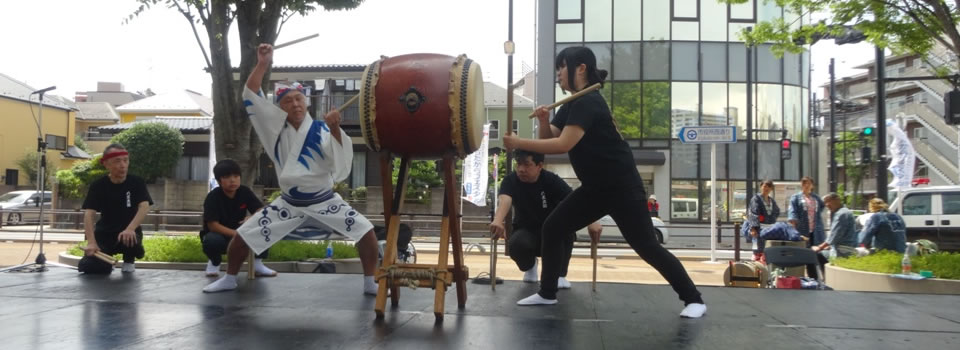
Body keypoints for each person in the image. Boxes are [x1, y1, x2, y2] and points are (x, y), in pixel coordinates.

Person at [503, 46, 706, 318]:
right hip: (595, 189)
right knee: (553, 227)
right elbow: (548, 137)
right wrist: (543, 120)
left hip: (623, 187)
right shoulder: (573, 103)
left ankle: (694, 299)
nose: (559, 74)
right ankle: (547, 293)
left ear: (581, 68)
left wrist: (517, 142)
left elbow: (563, 143)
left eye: (562, 67)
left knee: (646, 246)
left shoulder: (590, 102)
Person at [203, 43, 379, 294]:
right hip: (288, 203)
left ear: (306, 103)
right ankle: (229, 278)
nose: (294, 104)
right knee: (242, 236)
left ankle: (369, 281)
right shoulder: (273, 129)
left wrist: (336, 130)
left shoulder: (321, 129)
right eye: (287, 101)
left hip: (324, 200)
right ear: (280, 107)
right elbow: (251, 93)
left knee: (366, 232)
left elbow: (338, 163)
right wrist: (263, 64)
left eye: (298, 99)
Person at [490, 149, 602, 287]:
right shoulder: (510, 180)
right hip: (526, 230)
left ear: (539, 166)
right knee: (516, 244)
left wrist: (592, 221)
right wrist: (497, 220)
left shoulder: (551, 180)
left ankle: (559, 274)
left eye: (526, 164)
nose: (521, 169)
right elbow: (504, 200)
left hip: (554, 231)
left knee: (566, 232)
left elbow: (575, 201)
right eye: (518, 164)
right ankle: (530, 266)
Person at [81, 144, 153, 273]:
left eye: (125, 160)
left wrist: (130, 229)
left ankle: (130, 258)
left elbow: (144, 206)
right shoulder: (98, 185)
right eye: (117, 161)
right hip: (104, 233)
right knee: (88, 266)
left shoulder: (137, 182)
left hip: (128, 233)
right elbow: (89, 214)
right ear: (106, 164)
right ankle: (106, 264)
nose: (123, 165)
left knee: (130, 238)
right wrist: (91, 242)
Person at [200, 159, 275, 277]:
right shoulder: (213, 197)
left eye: (236, 176)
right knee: (211, 240)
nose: (232, 180)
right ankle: (214, 262)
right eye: (227, 177)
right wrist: (237, 234)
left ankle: (257, 264)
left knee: (263, 229)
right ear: (219, 180)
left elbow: (260, 210)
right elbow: (213, 225)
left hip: (242, 231)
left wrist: (251, 217)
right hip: (221, 235)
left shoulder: (245, 191)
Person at [787, 176, 827, 277]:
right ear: (801, 185)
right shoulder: (796, 197)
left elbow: (822, 206)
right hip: (803, 230)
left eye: (808, 183)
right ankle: (807, 277)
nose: (806, 185)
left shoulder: (816, 198)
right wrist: (793, 224)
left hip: (816, 230)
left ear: (812, 185)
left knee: (817, 253)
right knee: (804, 253)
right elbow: (792, 211)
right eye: (804, 183)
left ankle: (820, 276)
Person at [741, 180, 780, 262]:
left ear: (771, 189)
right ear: (761, 187)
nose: (766, 188)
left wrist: (771, 219)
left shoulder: (771, 201)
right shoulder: (756, 199)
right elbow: (753, 213)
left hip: (768, 229)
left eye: (768, 186)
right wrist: (753, 228)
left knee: (766, 250)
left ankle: (763, 268)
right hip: (757, 228)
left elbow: (777, 211)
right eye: (764, 186)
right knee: (756, 248)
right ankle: (755, 264)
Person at [813, 193, 858, 259]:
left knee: (814, 255)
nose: (826, 205)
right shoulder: (845, 212)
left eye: (828, 201)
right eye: (825, 203)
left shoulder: (841, 214)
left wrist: (819, 247)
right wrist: (828, 246)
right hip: (846, 248)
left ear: (837, 200)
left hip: (842, 251)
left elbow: (835, 235)